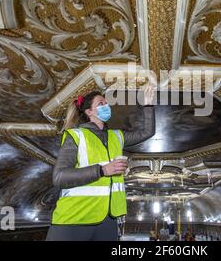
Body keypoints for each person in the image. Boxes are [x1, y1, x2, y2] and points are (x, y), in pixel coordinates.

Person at [46, 86, 156, 241]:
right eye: (101, 103)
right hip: (74, 218)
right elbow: (59, 177)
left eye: (106, 103)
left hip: (108, 219)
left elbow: (147, 133)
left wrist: (148, 105)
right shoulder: (76, 136)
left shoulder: (116, 136)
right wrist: (103, 170)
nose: (106, 106)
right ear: (89, 112)